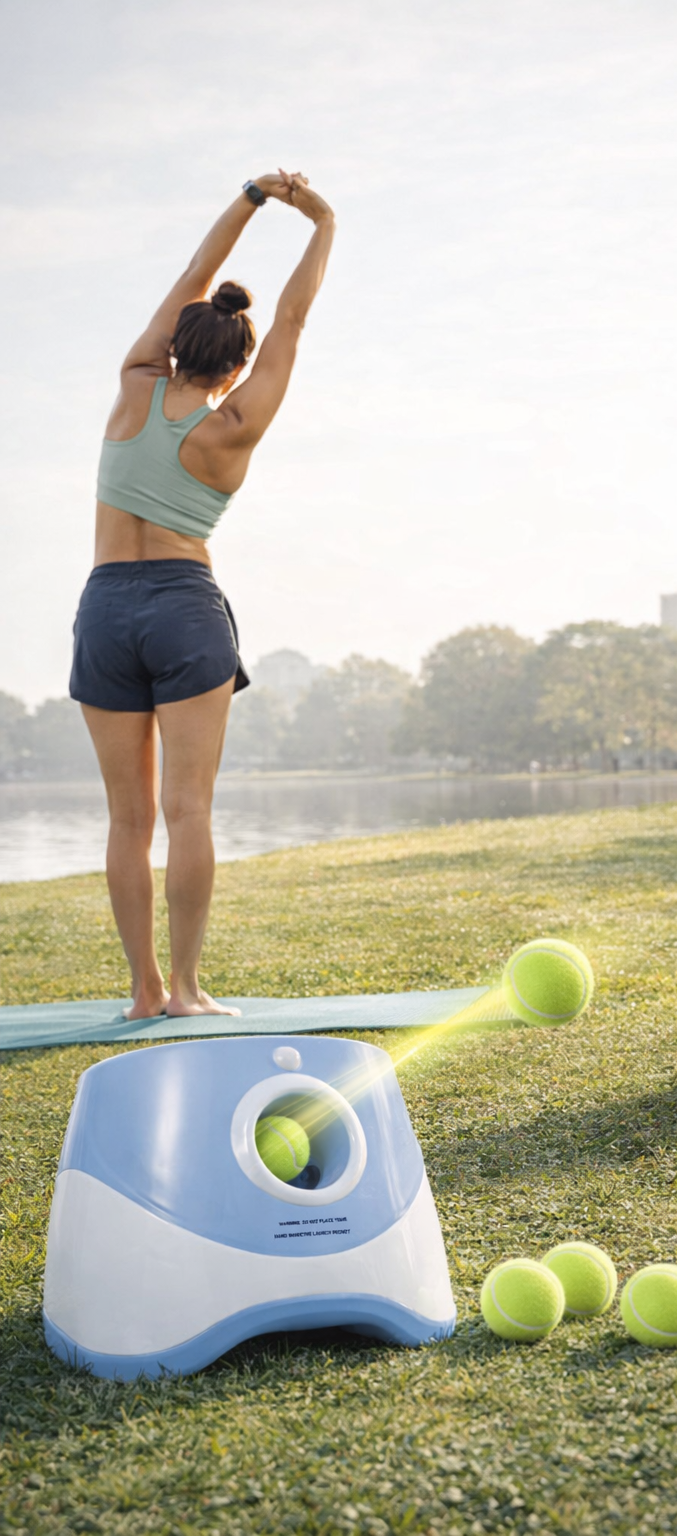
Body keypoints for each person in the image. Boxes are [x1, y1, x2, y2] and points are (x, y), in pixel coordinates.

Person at [70, 171, 335, 1019]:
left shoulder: (136, 382)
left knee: (127, 821)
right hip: (185, 606)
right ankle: (185, 990)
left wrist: (253, 198)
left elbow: (194, 269)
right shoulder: (234, 426)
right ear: (238, 361)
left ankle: (143, 992)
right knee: (189, 812)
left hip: (106, 607)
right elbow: (291, 319)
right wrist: (320, 220)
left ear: (178, 338)